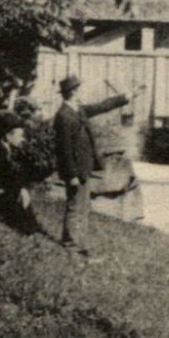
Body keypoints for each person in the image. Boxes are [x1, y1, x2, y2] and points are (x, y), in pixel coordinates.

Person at [52, 75, 128, 256]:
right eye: (78, 89)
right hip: (76, 171)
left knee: (83, 206)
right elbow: (64, 149)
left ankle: (79, 243)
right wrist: (71, 175)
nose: (81, 91)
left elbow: (102, 106)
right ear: (72, 92)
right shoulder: (63, 116)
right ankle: (71, 243)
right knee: (75, 206)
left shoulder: (78, 110)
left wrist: (126, 97)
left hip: (83, 169)